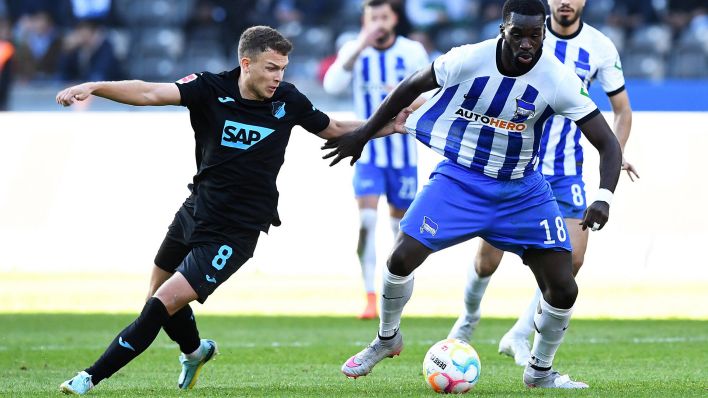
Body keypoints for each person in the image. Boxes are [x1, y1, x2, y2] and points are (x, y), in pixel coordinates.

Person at [56, 25, 411, 395]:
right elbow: (148, 91)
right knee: (155, 298)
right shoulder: (209, 88)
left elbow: (336, 128)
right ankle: (195, 352)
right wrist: (95, 87)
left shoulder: (288, 100)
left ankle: (89, 377)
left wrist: (390, 125)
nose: (279, 77)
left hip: (236, 230)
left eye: (283, 68)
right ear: (247, 63)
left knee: (161, 305)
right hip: (195, 210)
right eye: (271, 67)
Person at [324, 0, 622, 388]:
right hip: (460, 179)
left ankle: (540, 371)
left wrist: (604, 197)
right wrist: (362, 135)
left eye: (536, 35)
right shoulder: (467, 58)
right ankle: (386, 339)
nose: (527, 44)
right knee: (400, 257)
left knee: (563, 287)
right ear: (503, 30)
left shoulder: (558, 78)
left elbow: (608, 143)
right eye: (518, 35)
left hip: (523, 192)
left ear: (544, 32)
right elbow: (411, 85)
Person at [447, 0, 638, 367]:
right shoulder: (524, 35)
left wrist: (617, 150)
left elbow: (622, 110)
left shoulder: (600, 47)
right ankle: (468, 318)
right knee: (488, 259)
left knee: (573, 258)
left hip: (566, 169)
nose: (564, 1)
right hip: (516, 165)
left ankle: (519, 333)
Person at [323, 0, 429, 320]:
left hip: (402, 152)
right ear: (365, 21)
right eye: (373, 18)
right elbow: (332, 84)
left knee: (401, 229)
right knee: (367, 222)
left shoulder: (411, 52)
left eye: (384, 17)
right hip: (367, 150)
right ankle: (369, 295)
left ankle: (395, 291)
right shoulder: (353, 49)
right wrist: (360, 46)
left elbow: (432, 95)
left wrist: (405, 95)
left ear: (394, 19)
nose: (379, 24)